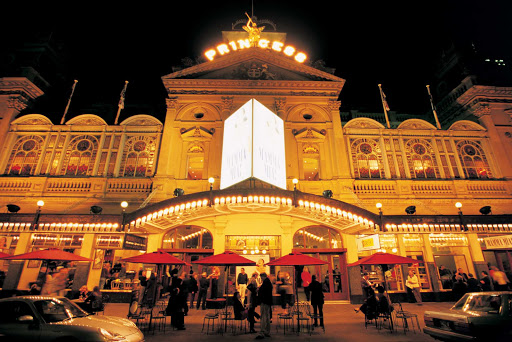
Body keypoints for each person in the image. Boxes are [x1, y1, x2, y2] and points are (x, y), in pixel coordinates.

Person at [255, 272, 272, 339]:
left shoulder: (265, 283)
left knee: (263, 316)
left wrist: (258, 290)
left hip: (264, 302)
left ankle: (262, 331)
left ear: (263, 277)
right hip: (268, 302)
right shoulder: (268, 283)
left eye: (261, 277)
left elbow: (263, 292)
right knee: (267, 316)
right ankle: (267, 331)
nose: (261, 279)